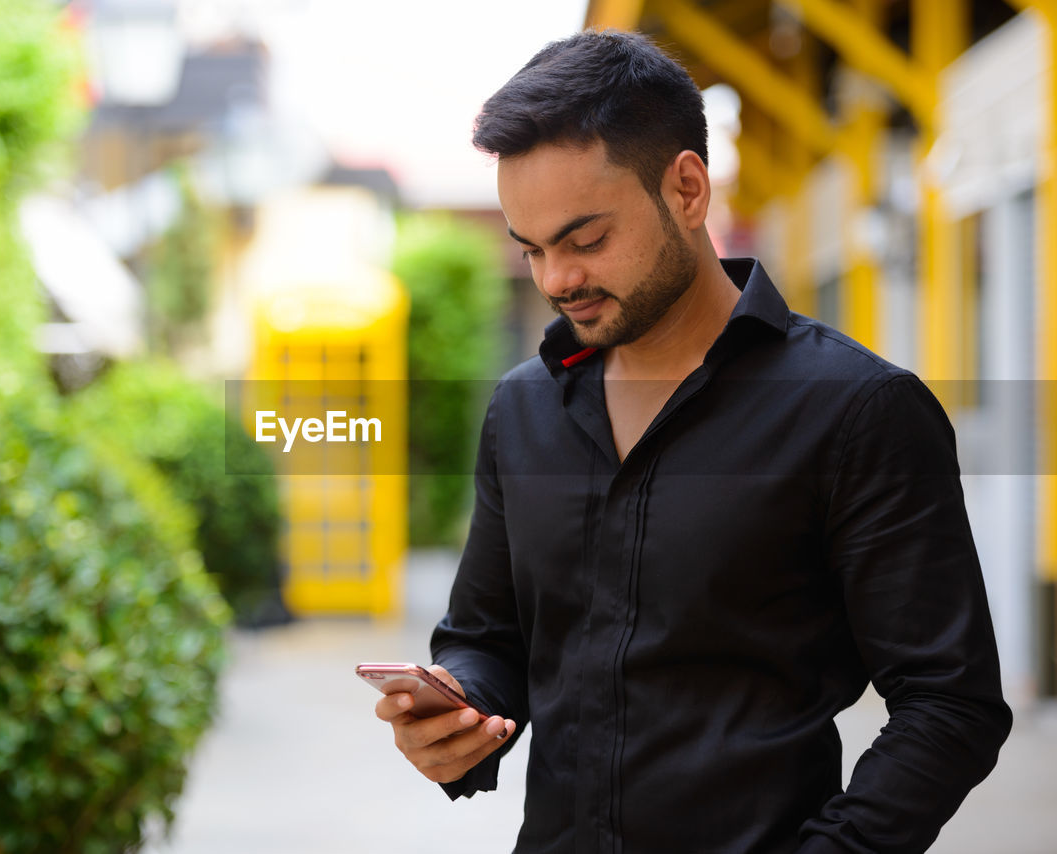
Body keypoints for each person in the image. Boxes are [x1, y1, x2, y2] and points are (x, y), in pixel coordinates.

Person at [372, 28, 1012, 854]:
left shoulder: (859, 412)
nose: (556, 280)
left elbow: (950, 702)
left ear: (687, 188)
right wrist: (454, 713)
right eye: (531, 250)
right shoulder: (522, 411)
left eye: (585, 239)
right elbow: (488, 637)